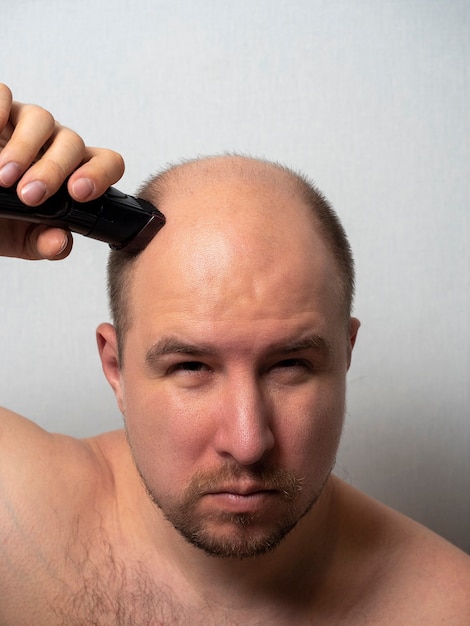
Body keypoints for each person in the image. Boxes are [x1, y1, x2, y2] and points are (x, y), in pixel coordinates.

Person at [0, 83, 469, 626]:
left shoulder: (445, 609)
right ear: (116, 368)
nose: (247, 444)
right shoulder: (17, 519)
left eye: (290, 365)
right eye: (192, 367)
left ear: (345, 356)